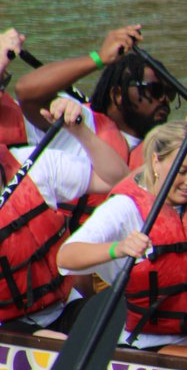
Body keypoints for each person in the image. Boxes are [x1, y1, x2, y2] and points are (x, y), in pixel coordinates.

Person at [56, 85, 187, 366]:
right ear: (156, 161)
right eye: (182, 172)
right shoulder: (125, 207)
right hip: (149, 343)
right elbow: (66, 257)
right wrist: (118, 248)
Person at [15, 25, 172, 232]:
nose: (164, 99)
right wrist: (99, 58)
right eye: (155, 90)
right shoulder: (75, 117)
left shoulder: (165, 145)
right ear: (117, 95)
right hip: (64, 246)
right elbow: (26, 91)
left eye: (170, 92)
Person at [0, 97, 129, 336]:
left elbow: (118, 179)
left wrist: (79, 131)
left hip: (64, 307)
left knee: (120, 327)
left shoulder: (35, 164)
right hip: (8, 330)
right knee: (54, 342)